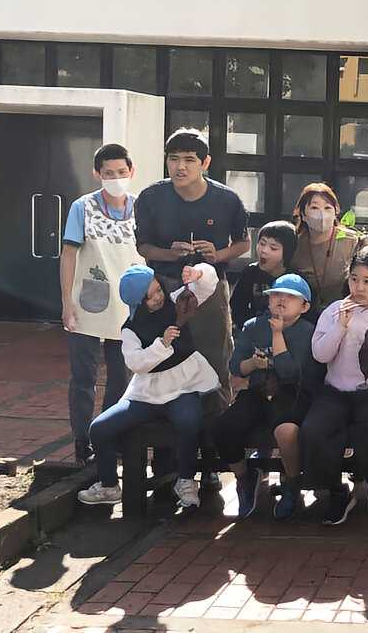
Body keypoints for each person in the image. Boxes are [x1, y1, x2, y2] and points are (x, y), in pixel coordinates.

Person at [77, 263, 221, 509]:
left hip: (185, 385)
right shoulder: (130, 329)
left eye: (158, 289)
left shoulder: (177, 301)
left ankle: (186, 480)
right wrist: (162, 345)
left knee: (189, 420)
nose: (158, 297)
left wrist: (198, 273)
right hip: (147, 393)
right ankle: (109, 485)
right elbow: (136, 363)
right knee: (99, 428)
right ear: (138, 302)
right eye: (150, 296)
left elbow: (207, 285)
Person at [134, 129, 250, 408]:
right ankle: (160, 420)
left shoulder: (227, 199)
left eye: (189, 160)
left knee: (215, 357)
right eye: (173, 159)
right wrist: (169, 253)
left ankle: (217, 421)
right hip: (163, 286)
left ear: (205, 163)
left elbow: (244, 243)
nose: (180, 167)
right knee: (161, 354)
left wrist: (218, 254)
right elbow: (143, 246)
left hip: (211, 289)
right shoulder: (150, 197)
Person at [303, 247, 368, 525]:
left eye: (367, 281)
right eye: (354, 279)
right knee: (314, 430)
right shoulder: (334, 311)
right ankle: (337, 492)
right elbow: (320, 355)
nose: (359, 287)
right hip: (336, 391)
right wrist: (340, 327)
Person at [212, 274, 321, 521]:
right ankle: (244, 477)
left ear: (304, 306)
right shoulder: (253, 326)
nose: (281, 300)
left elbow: (290, 373)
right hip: (257, 391)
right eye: (276, 295)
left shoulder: (308, 331)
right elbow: (236, 367)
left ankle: (292, 483)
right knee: (223, 427)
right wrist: (253, 363)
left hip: (292, 393)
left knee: (286, 431)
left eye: (290, 297)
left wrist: (277, 334)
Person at [59, 143, 141, 464]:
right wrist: (67, 302)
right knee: (83, 379)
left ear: (131, 171)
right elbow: (69, 255)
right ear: (97, 174)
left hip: (128, 305)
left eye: (121, 172)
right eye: (109, 173)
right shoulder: (82, 207)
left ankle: (107, 434)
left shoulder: (141, 208)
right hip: (87, 303)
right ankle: (83, 441)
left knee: (121, 378)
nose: (116, 178)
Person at [290, 182, 368, 313]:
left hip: (346, 312)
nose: (322, 214)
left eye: (327, 208)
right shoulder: (294, 243)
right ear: (303, 214)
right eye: (314, 208)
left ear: (336, 211)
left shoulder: (355, 241)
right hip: (303, 313)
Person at [229, 221, 299, 335]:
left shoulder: (295, 279)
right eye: (262, 243)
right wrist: (250, 327)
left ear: (287, 253)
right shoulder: (250, 272)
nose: (264, 250)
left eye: (273, 248)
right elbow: (237, 306)